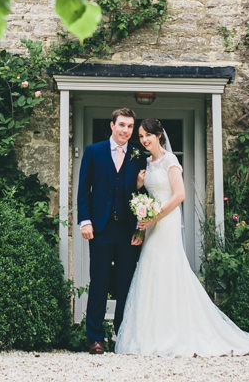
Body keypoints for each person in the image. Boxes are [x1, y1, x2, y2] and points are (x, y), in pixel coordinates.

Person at [114, 117, 249, 357]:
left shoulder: (170, 160)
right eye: (141, 136)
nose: (144, 139)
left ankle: (175, 332)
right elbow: (145, 197)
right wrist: (139, 188)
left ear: (159, 135)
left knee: (167, 269)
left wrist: (156, 217)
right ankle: (150, 333)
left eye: (148, 135)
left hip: (165, 222)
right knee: (149, 269)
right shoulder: (147, 163)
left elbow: (179, 195)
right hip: (151, 223)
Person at [75, 107, 145, 354]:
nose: (126, 130)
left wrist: (140, 227)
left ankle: (122, 334)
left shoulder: (138, 155)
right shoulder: (94, 152)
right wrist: (85, 221)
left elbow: (142, 195)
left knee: (125, 283)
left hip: (127, 229)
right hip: (101, 228)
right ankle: (95, 337)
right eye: (122, 125)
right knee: (100, 282)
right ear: (112, 125)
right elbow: (84, 189)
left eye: (129, 126)